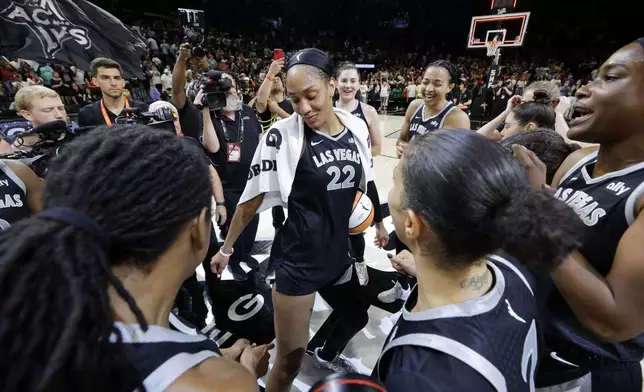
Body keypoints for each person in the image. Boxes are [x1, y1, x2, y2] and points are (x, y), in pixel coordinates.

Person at [0, 125, 270, 391]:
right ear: (198, 227)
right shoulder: (217, 383)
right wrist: (245, 371)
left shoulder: (34, 316)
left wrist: (217, 358)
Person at [210, 49, 372, 392]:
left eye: (311, 96)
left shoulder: (356, 127)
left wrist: (376, 221)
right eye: (295, 99)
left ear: (330, 86)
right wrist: (226, 249)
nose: (303, 108)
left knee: (358, 315)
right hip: (298, 261)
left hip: (338, 253)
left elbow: (363, 185)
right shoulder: (281, 136)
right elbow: (250, 201)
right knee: (287, 360)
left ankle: (323, 349)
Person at [377, 129, 582, 391]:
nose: (391, 191)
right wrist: (423, 269)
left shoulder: (424, 374)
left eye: (395, 181)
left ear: (412, 223)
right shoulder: (514, 269)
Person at [516, 38, 644, 392]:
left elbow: (615, 321)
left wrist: (537, 205)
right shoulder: (576, 161)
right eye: (591, 77)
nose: (584, 89)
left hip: (588, 370)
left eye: (610, 77)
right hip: (536, 348)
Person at [173, 43, 262, 282]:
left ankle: (243, 257)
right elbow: (211, 146)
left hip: (253, 183)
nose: (230, 94)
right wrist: (204, 109)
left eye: (232, 88)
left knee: (251, 226)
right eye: (225, 91)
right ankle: (232, 260)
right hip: (229, 187)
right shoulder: (209, 115)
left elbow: (257, 137)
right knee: (233, 230)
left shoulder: (246, 111)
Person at [335, 62, 389, 285]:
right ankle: (336, 265)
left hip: (358, 180)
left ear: (359, 84)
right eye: (344, 80)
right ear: (335, 83)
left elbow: (377, 147)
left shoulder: (368, 111)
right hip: (331, 179)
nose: (348, 85)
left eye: (352, 81)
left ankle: (359, 262)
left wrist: (355, 158)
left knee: (355, 228)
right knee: (332, 228)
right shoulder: (327, 109)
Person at [252, 57, 294, 233]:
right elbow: (260, 102)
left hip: (292, 155)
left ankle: (295, 227)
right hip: (272, 157)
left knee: (294, 196)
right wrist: (270, 73)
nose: (276, 79)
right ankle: (278, 229)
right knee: (276, 198)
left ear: (285, 86)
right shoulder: (265, 104)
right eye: (273, 79)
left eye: (279, 78)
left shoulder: (292, 104)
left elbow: (298, 124)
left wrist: (278, 110)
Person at [396, 60, 471, 158]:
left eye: (437, 84)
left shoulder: (457, 118)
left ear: (449, 87)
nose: (428, 89)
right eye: (425, 82)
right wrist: (401, 149)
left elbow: (456, 161)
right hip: (410, 171)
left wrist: (414, 153)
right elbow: (401, 140)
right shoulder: (414, 106)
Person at [77, 58, 149, 127]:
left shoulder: (142, 109)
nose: (113, 83)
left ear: (123, 82)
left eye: (117, 78)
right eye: (105, 78)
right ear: (95, 82)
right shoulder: (87, 114)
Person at [478, 90, 556, 141]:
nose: (521, 106)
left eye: (529, 103)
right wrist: (507, 112)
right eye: (523, 102)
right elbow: (478, 137)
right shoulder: (512, 124)